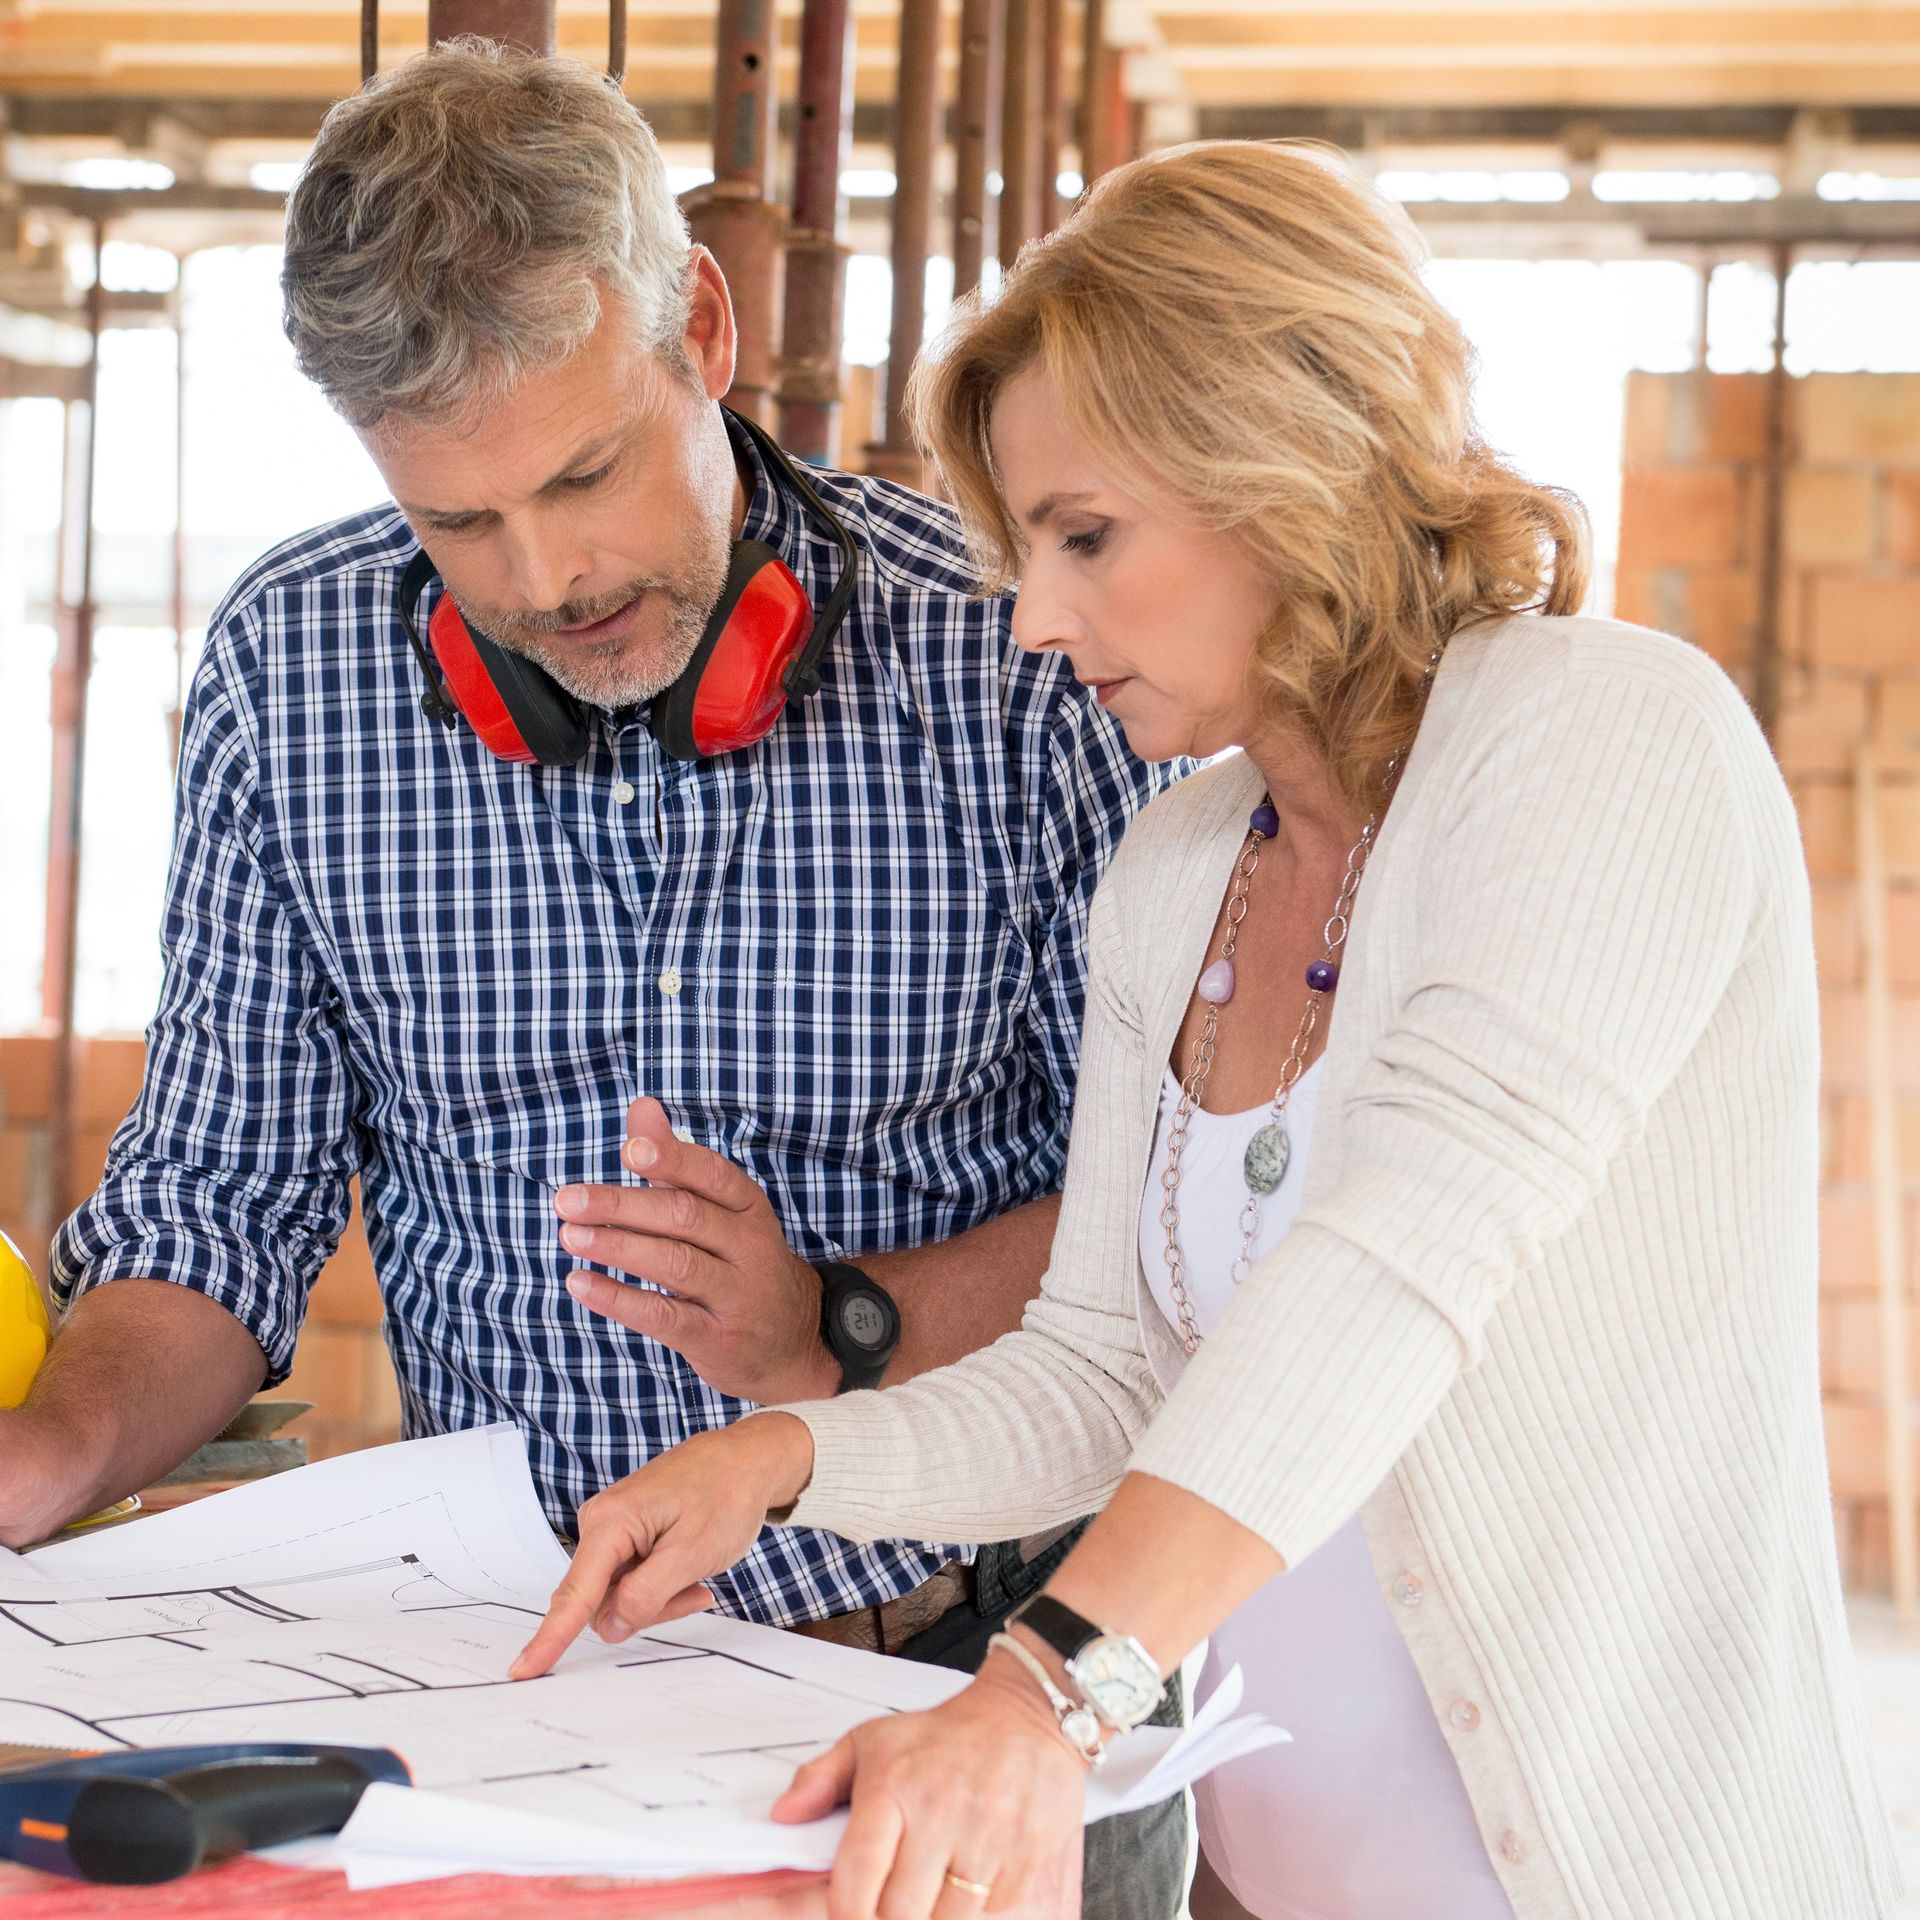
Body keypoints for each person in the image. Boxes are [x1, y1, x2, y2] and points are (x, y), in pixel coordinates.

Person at [514, 139, 1903, 1920]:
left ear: (1284, 463)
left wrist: (1043, 1692)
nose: (1036, 621)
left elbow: (1390, 1275)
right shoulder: (1180, 870)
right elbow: (1106, 1370)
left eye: (1087, 537)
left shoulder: (1602, 739)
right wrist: (784, 1464)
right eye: (1026, 550)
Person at [13, 44, 1189, 1919]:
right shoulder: (291, 674)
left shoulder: (1018, 656)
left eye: (584, 473)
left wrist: (841, 1321)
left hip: (960, 1684)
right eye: (458, 524)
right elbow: (220, 1202)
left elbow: (1173, 1212)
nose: (548, 576)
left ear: (701, 329)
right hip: (506, 1710)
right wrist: (46, 1456)